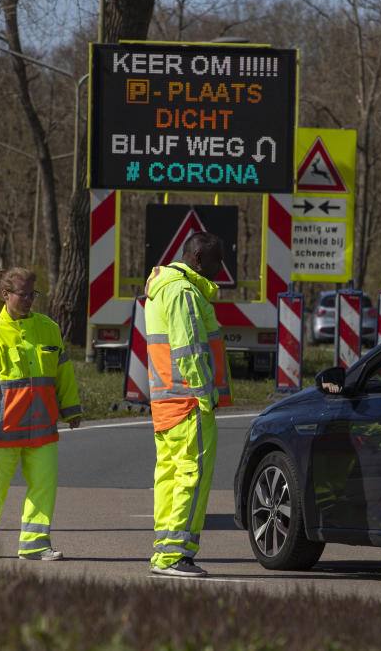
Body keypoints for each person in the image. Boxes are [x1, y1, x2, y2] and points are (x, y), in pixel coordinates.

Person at [0, 267, 82, 561]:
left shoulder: (48, 328)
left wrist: (71, 408)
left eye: (33, 294)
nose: (29, 300)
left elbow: (63, 373)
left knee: (43, 485)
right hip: (2, 426)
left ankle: (35, 543)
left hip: (41, 426)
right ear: (6, 294)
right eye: (23, 294)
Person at [144, 232, 232, 578]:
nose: (221, 267)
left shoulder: (163, 288)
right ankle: (176, 554)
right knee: (190, 478)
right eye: (216, 259)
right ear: (197, 259)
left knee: (169, 476)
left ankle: (165, 551)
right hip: (188, 401)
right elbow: (189, 349)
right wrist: (204, 394)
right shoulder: (183, 292)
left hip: (166, 400)